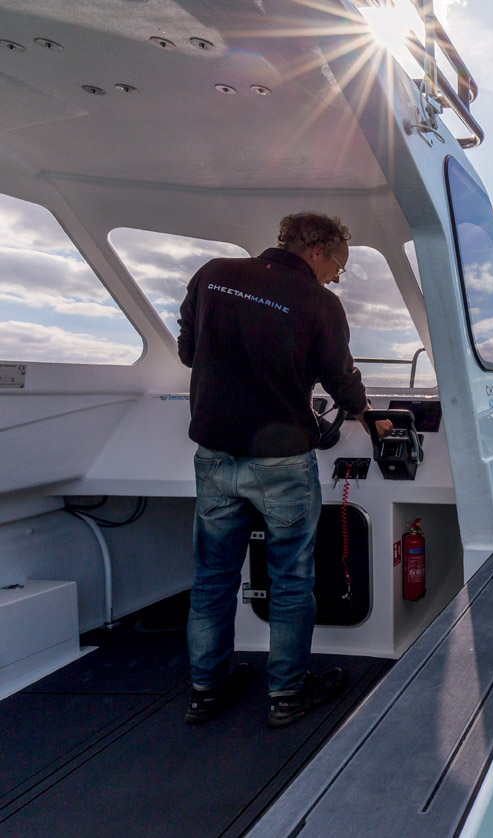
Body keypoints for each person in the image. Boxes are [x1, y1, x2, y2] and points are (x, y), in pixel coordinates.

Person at [177, 211, 389, 728]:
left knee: (212, 579)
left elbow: (189, 351)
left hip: (215, 455)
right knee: (291, 581)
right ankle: (286, 695)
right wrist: (368, 416)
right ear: (317, 250)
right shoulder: (320, 303)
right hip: (282, 463)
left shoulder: (212, 274)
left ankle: (206, 690)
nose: (337, 275)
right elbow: (341, 379)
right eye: (338, 264)